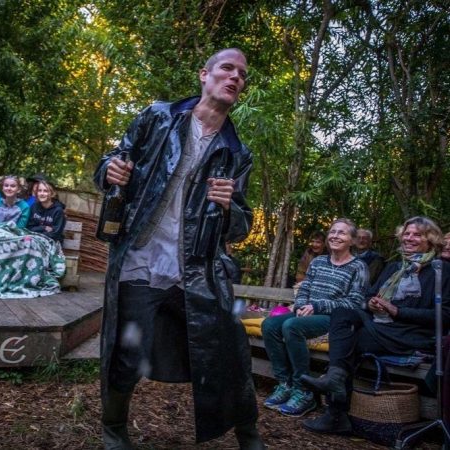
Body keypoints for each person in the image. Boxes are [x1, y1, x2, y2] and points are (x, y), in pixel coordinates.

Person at [94, 48, 264, 449]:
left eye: (242, 74)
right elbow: (113, 161)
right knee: (127, 351)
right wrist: (108, 170)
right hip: (141, 261)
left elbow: (241, 225)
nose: (235, 77)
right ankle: (113, 428)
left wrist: (229, 207)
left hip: (197, 269)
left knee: (229, 351)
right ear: (204, 74)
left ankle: (248, 433)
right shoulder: (158, 117)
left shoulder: (236, 153)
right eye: (227, 68)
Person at [301, 216, 450, 435]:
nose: (409, 238)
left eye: (417, 235)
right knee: (343, 314)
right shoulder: (394, 267)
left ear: (431, 240)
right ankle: (334, 382)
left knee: (348, 342)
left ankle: (335, 413)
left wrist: (397, 311)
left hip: (411, 334)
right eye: (407, 233)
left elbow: (444, 315)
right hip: (381, 327)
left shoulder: (441, 270)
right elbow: (369, 296)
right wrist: (371, 303)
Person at [261, 218, 368, 417]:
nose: (335, 236)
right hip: (306, 312)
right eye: (332, 232)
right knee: (270, 324)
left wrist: (317, 306)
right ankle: (285, 383)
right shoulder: (318, 262)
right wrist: (301, 305)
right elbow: (305, 288)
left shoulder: (358, 266)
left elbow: (354, 302)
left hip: (333, 319)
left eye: (342, 233)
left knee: (292, 326)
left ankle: (304, 390)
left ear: (352, 240)